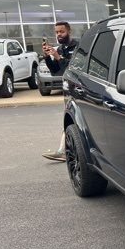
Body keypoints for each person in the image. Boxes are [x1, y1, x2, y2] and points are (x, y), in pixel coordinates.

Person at [41, 21, 78, 162]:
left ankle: (62, 151)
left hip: (79, 89)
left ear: (69, 31)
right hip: (67, 89)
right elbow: (56, 71)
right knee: (69, 120)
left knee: (72, 120)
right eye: (56, 32)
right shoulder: (61, 49)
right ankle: (63, 150)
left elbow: (75, 67)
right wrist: (47, 57)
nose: (59, 35)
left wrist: (59, 57)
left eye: (61, 31)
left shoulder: (77, 46)